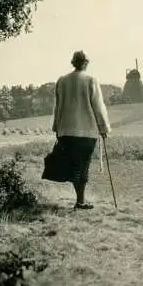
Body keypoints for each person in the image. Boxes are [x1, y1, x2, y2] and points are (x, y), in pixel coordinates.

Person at [52, 51, 111, 209]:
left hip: (66, 131)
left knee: (74, 166)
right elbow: (98, 106)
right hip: (86, 131)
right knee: (83, 166)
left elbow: (57, 107)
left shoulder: (62, 81)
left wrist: (57, 127)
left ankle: (80, 200)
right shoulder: (91, 80)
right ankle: (80, 202)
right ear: (85, 63)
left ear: (73, 63)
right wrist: (103, 127)